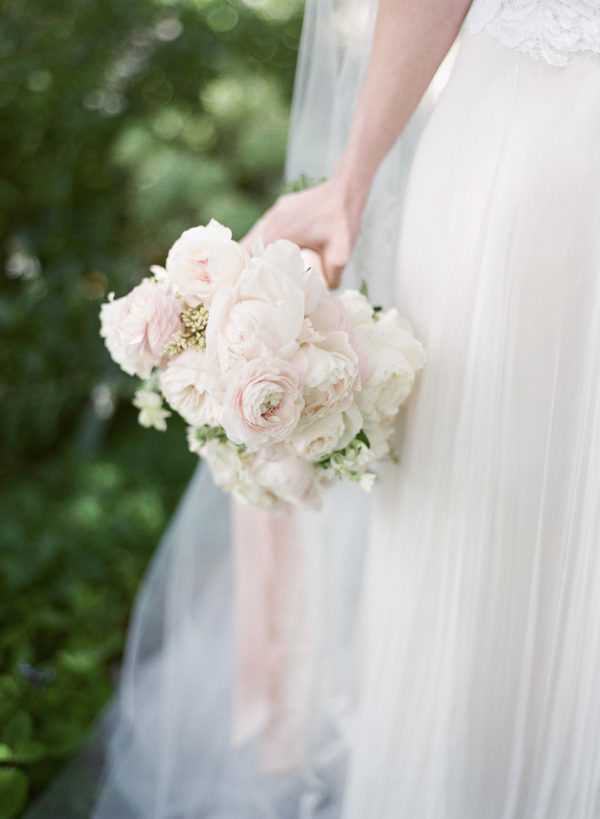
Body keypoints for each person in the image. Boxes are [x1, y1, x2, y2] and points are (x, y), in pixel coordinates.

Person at [27, 1, 600, 816]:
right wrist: (350, 180)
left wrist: (354, 175)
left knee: (482, 516)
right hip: (529, 157)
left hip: (524, 156)